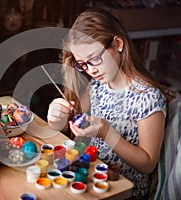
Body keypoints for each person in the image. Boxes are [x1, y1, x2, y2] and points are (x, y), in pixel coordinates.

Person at [47, 8, 168, 199]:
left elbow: (147, 164)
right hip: (89, 175)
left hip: (121, 190)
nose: (91, 70)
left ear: (118, 43)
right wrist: (56, 118)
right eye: (83, 64)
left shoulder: (148, 97)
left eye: (95, 59)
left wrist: (107, 133)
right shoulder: (97, 85)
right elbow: (73, 125)